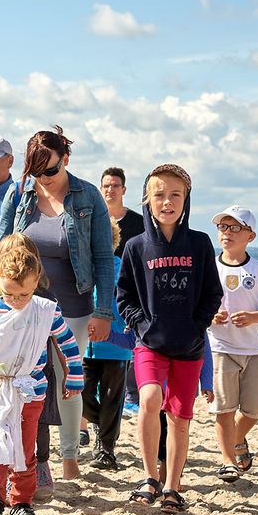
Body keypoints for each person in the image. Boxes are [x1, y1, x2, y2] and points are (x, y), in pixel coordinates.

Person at [0, 126, 115, 480]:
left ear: (66, 159)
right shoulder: (18, 194)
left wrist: (104, 312)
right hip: (21, 308)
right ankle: (37, 460)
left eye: (51, 170)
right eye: (36, 172)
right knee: (26, 382)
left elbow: (103, 258)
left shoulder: (88, 196)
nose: (43, 179)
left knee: (67, 380)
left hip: (73, 307)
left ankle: (69, 457)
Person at [118, 164, 222, 515]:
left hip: (189, 347)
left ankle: (172, 486)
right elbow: (124, 296)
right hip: (149, 343)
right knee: (149, 398)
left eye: (175, 195)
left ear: (186, 200)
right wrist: (141, 325)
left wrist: (197, 326)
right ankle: (149, 476)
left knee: (179, 417)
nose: (167, 202)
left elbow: (212, 293)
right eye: (159, 194)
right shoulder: (135, 247)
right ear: (147, 199)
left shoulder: (200, 243)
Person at [0, 233, 83, 515]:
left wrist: (74, 377)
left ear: (36, 282)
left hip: (30, 391)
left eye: (24, 295)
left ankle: (21, 502)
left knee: (25, 447)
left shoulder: (45, 311)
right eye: (10, 295)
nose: (17, 301)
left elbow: (68, 344)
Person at [209, 205, 258, 483]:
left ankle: (237, 438)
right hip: (220, 348)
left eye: (235, 227)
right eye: (223, 227)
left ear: (250, 236)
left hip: (254, 350)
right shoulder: (209, 267)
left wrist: (253, 317)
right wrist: (211, 316)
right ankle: (228, 461)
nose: (227, 233)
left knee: (255, 409)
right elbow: (196, 306)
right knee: (223, 408)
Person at [81, 219, 135, 471]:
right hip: (85, 346)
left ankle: (106, 450)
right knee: (82, 395)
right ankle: (101, 424)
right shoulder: (81, 270)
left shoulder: (124, 268)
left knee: (113, 400)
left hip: (117, 346)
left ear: (112, 242)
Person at [100, 166, 145, 416]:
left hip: (130, 288)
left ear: (124, 189)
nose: (111, 190)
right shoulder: (94, 219)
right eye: (106, 185)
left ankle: (130, 394)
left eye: (115, 185)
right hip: (100, 286)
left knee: (128, 337)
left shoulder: (138, 222)